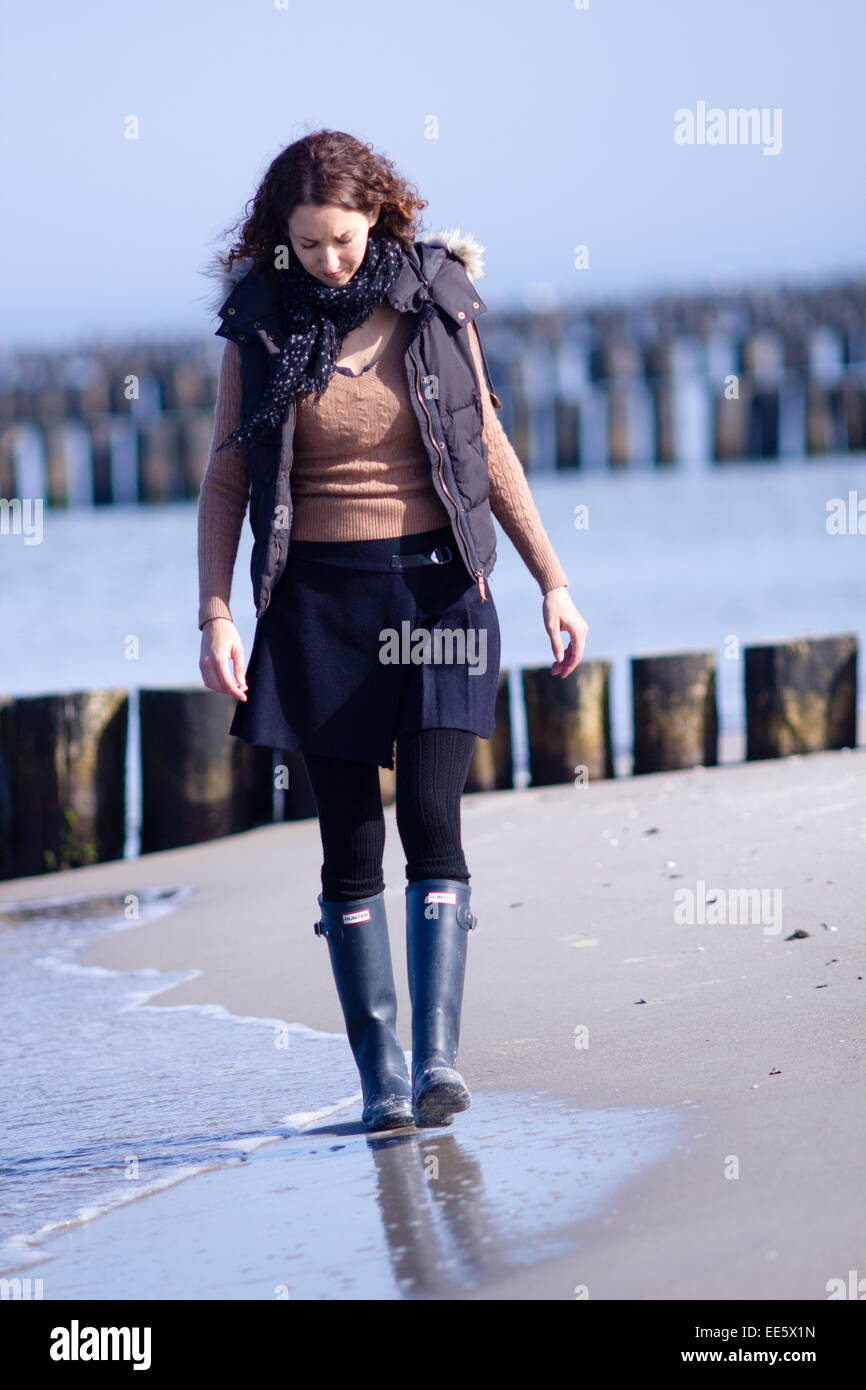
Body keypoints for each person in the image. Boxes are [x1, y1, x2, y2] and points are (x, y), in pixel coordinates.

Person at [197, 129, 587, 1132]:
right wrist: (215, 613)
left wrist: (551, 577)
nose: (330, 259)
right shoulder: (260, 324)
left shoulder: (433, 296)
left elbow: (484, 440)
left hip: (437, 591)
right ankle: (378, 1082)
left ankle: (436, 1062)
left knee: (430, 812)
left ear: (375, 214)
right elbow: (229, 477)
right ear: (280, 241)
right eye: (310, 244)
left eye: (343, 237)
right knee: (348, 842)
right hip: (318, 604)